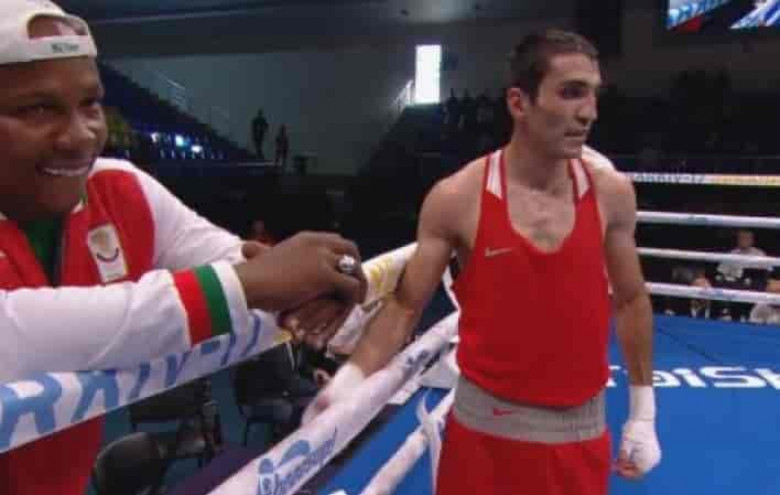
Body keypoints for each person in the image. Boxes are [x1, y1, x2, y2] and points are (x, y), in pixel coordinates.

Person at [0, 2, 365, 494]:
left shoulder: (119, 190)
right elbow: (26, 333)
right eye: (37, 109)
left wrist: (317, 281)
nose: (80, 136)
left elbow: (238, 261)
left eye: (90, 104)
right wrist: (252, 285)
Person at [300, 30, 661, 494]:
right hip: (482, 439)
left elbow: (630, 301)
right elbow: (406, 306)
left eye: (593, 94)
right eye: (571, 92)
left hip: (578, 436)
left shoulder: (611, 193)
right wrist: (347, 384)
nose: (589, 111)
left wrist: (644, 414)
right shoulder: (458, 197)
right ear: (519, 102)